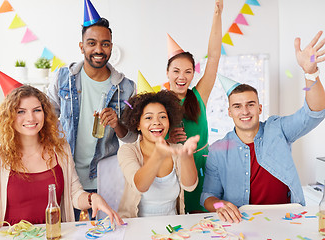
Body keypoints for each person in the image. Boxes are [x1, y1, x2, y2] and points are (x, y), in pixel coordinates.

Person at [201, 31, 325, 223]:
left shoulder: (279, 129)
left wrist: (310, 72)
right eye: (237, 106)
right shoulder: (217, 150)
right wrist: (220, 205)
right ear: (229, 112)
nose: (245, 111)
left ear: (259, 108)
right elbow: (208, 196)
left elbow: (314, 113)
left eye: (250, 104)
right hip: (242, 223)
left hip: (288, 220)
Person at [0, 85, 123, 235]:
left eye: (37, 110)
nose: (30, 117)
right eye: (21, 111)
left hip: (54, 235)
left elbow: (74, 194)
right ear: (9, 116)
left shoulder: (60, 150)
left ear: (45, 114)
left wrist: (92, 198)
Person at [46, 10, 137, 210]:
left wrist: (117, 124)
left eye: (105, 44)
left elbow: (131, 137)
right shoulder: (63, 78)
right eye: (92, 43)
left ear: (111, 47)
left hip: (106, 180)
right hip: (67, 176)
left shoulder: (126, 87)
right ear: (82, 46)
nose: (99, 49)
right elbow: (45, 119)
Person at [166, 0, 223, 213]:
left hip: (203, 168)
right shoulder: (158, 104)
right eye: (176, 71)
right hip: (172, 170)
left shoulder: (199, 96)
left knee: (204, 221)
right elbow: (146, 139)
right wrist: (168, 140)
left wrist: (217, 16)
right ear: (168, 73)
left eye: (188, 71)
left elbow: (214, 58)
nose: (182, 77)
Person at [117, 90, 199, 218]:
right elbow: (140, 186)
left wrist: (187, 157)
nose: (157, 122)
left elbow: (190, 186)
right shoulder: (127, 150)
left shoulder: (177, 149)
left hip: (173, 228)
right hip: (135, 227)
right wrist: (158, 154)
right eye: (148, 117)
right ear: (138, 124)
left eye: (162, 117)